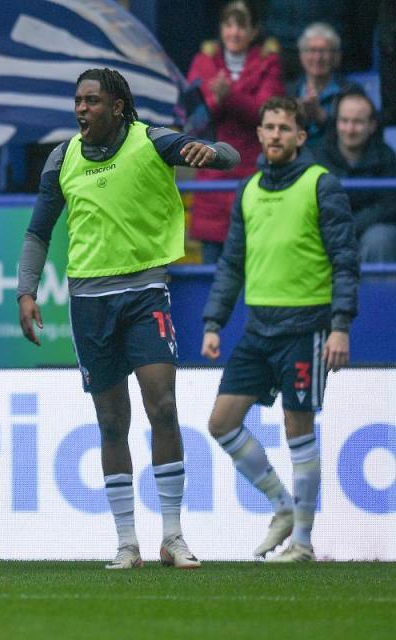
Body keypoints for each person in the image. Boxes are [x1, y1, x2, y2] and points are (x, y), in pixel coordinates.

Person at [16, 68, 240, 570]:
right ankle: (126, 542)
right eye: (77, 100)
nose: (81, 109)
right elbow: (37, 232)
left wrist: (209, 153)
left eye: (92, 101)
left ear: (118, 107)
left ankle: (174, 536)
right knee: (112, 422)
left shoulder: (152, 141)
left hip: (144, 292)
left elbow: (231, 156)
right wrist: (25, 291)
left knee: (162, 405)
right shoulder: (62, 158)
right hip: (89, 301)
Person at [202, 96, 358, 563]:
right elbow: (230, 264)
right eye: (267, 128)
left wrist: (340, 326)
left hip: (306, 327)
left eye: (284, 129)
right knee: (221, 422)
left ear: (300, 136)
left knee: (298, 431)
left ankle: (304, 543)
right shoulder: (247, 190)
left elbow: (345, 260)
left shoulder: (320, 185)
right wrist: (214, 323)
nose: (273, 135)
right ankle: (282, 505)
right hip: (258, 327)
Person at [185, 1, 282, 264]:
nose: (234, 33)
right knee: (212, 276)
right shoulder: (204, 61)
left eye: (242, 26)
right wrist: (218, 102)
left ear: (253, 31)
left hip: (254, 177)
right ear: (221, 29)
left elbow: (268, 114)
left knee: (257, 270)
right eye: (228, 25)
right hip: (212, 181)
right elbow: (193, 120)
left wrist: (228, 97)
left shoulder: (269, 62)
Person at [313, 90, 396, 263]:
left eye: (357, 122)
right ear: (336, 123)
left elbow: (388, 207)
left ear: (372, 125)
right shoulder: (316, 157)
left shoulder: (387, 157)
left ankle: (376, 291)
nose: (350, 129)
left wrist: (350, 227)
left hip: (368, 233)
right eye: (344, 121)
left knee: (381, 238)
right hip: (327, 233)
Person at [289, 22, 353, 148]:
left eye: (324, 51)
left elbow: (359, 137)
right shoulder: (289, 92)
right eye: (311, 51)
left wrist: (321, 116)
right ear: (301, 56)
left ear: (337, 56)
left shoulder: (350, 92)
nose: (317, 57)